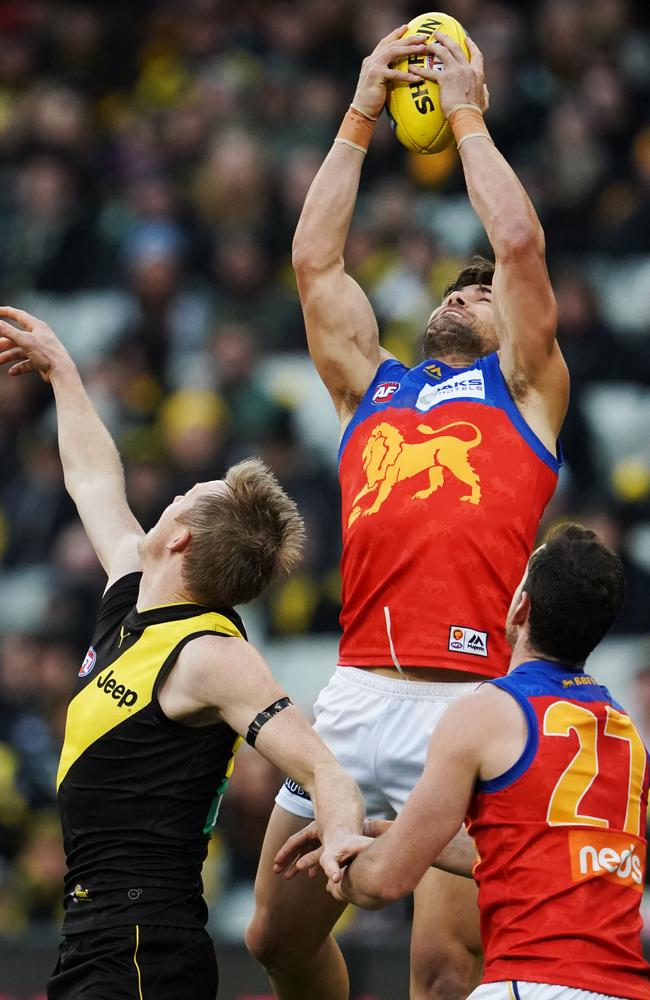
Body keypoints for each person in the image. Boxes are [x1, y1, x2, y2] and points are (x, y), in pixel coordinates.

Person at [246, 26, 570, 1000]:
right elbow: (313, 262)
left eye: (481, 293)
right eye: (456, 286)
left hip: (463, 706)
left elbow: (514, 242)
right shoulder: (369, 391)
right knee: (272, 936)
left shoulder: (526, 392)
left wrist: (464, 109)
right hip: (351, 695)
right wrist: (358, 111)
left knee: (443, 972)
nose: (468, 293)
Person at [0, 305, 364, 1000]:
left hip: (144, 949)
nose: (167, 498)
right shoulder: (134, 596)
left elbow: (321, 768)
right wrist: (64, 374)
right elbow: (93, 480)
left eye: (181, 498)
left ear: (183, 539)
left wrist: (342, 836)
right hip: (95, 939)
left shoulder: (208, 653)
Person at [277, 524, 650, 1000]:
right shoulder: (626, 730)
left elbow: (381, 885)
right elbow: (532, 851)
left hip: (528, 982)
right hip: (625, 987)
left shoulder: (487, 711)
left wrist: (337, 853)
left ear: (521, 607)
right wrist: (387, 834)